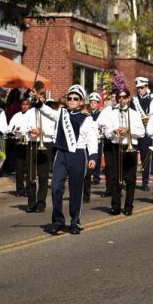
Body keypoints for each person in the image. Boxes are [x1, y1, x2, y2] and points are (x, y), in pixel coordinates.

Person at [33, 84, 99, 234]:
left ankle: (75, 222)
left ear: (81, 101)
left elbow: (92, 139)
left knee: (76, 190)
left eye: (76, 99)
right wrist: (36, 101)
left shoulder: (87, 119)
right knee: (56, 187)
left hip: (78, 154)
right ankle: (58, 220)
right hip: (62, 154)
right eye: (70, 98)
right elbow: (47, 111)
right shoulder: (61, 113)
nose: (72, 100)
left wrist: (93, 156)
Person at [104, 88, 145, 216]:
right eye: (119, 97)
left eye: (124, 97)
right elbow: (106, 132)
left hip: (130, 147)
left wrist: (128, 130)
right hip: (116, 147)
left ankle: (128, 206)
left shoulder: (135, 114)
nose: (121, 100)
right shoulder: (112, 114)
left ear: (128, 98)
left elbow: (142, 133)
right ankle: (115, 206)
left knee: (130, 179)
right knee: (116, 178)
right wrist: (113, 131)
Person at [27, 98, 55, 212]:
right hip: (32, 143)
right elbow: (24, 126)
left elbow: (54, 130)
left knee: (43, 176)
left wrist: (43, 131)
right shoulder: (29, 112)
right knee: (30, 175)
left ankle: (41, 203)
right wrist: (30, 130)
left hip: (46, 144)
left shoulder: (49, 112)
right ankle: (31, 203)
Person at [133, 77, 153, 191]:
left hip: (146, 132)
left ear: (146, 87)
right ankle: (130, 180)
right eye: (138, 88)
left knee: (145, 157)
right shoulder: (134, 101)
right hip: (135, 131)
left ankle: (145, 181)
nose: (139, 90)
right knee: (131, 157)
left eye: (142, 88)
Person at [7, 98, 32, 207]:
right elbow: (9, 128)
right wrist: (14, 129)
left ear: (30, 105)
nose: (24, 106)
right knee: (19, 167)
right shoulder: (17, 115)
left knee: (29, 167)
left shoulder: (32, 115)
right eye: (23, 104)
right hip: (19, 141)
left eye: (27, 104)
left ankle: (28, 189)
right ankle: (19, 189)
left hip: (29, 141)